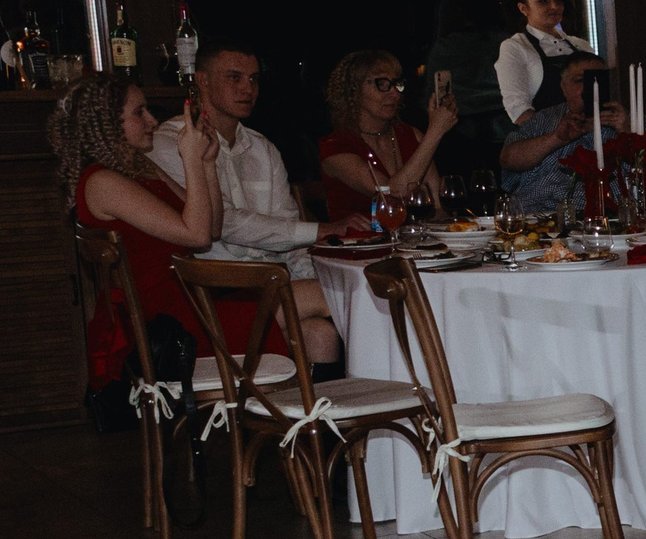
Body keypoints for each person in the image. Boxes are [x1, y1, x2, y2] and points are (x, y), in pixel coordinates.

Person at [51, 76, 337, 369]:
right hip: (170, 318)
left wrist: (206, 164)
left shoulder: (138, 168)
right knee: (330, 293)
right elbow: (198, 236)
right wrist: (189, 159)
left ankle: (308, 413)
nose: (152, 120)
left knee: (318, 333)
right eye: (139, 112)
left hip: (192, 297)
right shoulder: (102, 182)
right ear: (106, 123)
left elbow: (211, 228)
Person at [150, 41, 368, 297]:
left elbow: (289, 235)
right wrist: (323, 230)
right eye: (235, 77)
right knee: (348, 295)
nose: (247, 88)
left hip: (271, 281)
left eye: (253, 79)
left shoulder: (262, 148)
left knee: (322, 329)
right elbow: (225, 223)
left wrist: (316, 277)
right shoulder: (170, 142)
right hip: (212, 288)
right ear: (203, 80)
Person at [317, 50, 456, 224]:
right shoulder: (336, 147)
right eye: (382, 84)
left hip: (411, 244)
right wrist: (435, 132)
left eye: (396, 84)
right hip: (359, 245)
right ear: (354, 90)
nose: (395, 94)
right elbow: (391, 194)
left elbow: (437, 206)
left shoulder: (410, 135)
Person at [496, 55, 616, 215]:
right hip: (536, 214)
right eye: (579, 80)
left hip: (603, 215)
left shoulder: (626, 120)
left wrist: (628, 132)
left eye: (596, 80)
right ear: (564, 87)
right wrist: (556, 138)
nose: (587, 88)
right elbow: (507, 159)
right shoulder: (543, 119)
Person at [494, 0, 595, 123]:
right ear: (523, 8)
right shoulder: (515, 47)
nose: (554, 6)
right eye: (543, 1)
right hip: (545, 140)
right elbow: (519, 111)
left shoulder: (581, 45)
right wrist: (558, 135)